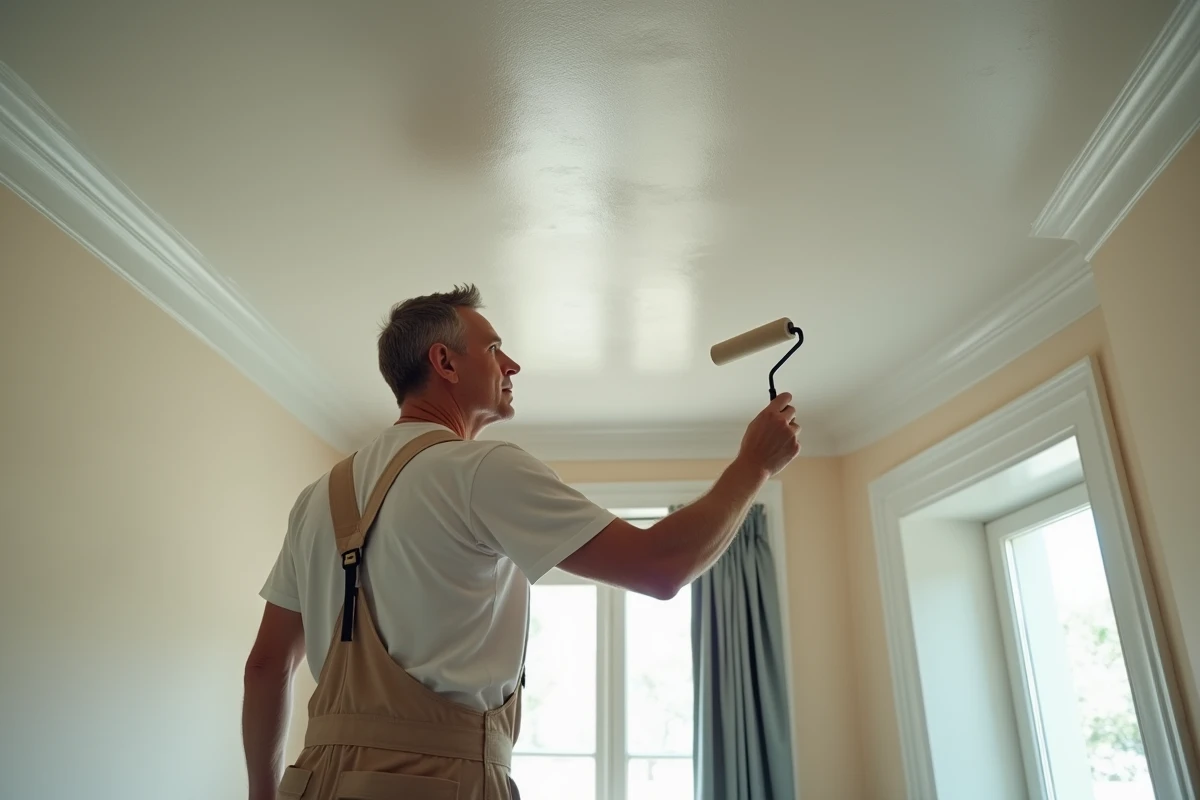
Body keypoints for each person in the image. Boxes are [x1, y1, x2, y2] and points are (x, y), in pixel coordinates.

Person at [241, 284, 802, 800]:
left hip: (309, 783)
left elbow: (266, 667)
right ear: (444, 362)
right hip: (438, 780)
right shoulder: (481, 469)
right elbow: (661, 566)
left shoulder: (317, 498)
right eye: (494, 349)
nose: (513, 364)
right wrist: (753, 466)